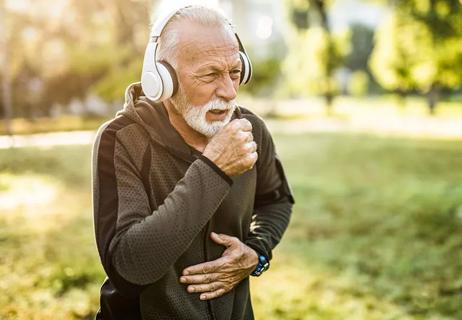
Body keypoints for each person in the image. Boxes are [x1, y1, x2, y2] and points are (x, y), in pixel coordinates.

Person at [91, 5, 294, 320]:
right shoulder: (121, 140)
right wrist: (214, 170)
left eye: (235, 72)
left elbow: (277, 201)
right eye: (210, 74)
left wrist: (257, 251)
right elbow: (129, 266)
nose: (228, 92)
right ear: (163, 79)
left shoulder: (250, 130)